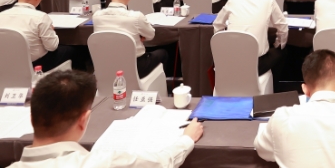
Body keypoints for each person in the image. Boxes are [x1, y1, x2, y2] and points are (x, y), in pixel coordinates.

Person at [9, 70, 203, 168]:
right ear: (84, 120)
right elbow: (161, 162)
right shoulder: (102, 162)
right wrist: (187, 138)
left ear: (32, 118)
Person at [91, 0, 168, 78]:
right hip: (136, 66)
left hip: (106, 66)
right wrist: (140, 37)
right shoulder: (136, 17)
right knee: (163, 53)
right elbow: (151, 35)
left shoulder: (96, 16)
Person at [214, 0, 287, 76]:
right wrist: (278, 44)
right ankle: (273, 84)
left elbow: (217, 24)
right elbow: (282, 27)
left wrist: (223, 45)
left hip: (231, 60)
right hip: (257, 63)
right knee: (282, 51)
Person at [0, 0, 82, 71]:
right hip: (36, 64)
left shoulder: (1, 15)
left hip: (5, 63)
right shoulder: (40, 17)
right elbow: (52, 47)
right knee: (73, 51)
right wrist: (52, 32)